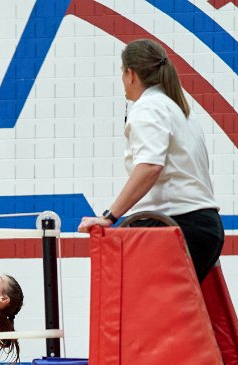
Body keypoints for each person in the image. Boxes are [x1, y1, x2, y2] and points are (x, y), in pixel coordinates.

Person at [78, 39, 224, 282]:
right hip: (202, 226)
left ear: (131, 74)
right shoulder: (178, 109)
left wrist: (109, 217)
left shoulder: (148, 107)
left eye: (122, 73)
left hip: (177, 226)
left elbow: (149, 167)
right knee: (163, 305)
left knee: (133, 297)